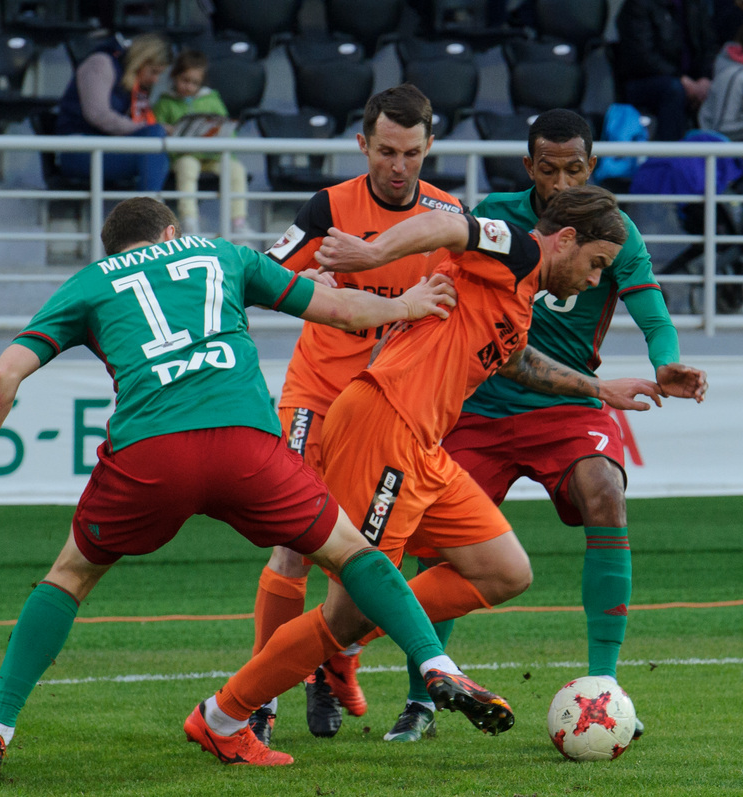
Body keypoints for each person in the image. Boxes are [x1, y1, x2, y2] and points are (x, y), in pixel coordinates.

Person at [0, 196, 512, 777]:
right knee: (352, 552)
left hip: (150, 455)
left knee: (70, 576)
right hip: (245, 445)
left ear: (111, 249)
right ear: (171, 232)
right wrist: (408, 304)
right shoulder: (222, 255)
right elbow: (339, 310)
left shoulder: (90, 283)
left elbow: (2, 376)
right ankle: (435, 663)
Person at [209, 185, 666, 756]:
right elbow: (448, 226)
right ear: (566, 239)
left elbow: (514, 358)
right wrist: (373, 255)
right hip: (383, 424)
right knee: (345, 614)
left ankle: (361, 639)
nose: (597, 280)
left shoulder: (519, 293)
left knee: (504, 571)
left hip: (422, 444)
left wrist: (598, 388)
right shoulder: (519, 249)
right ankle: (225, 713)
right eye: (596, 263)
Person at [381, 109, 709, 742]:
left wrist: (666, 362)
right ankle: (423, 696)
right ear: (529, 166)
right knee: (437, 540)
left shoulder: (613, 231)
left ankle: (604, 685)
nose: (561, 182)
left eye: (575, 169)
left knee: (605, 493)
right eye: (549, 169)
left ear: (593, 166)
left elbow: (651, 310)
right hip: (479, 405)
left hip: (567, 406)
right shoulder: (497, 216)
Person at [247, 84, 467, 743]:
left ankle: (333, 663)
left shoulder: (449, 216)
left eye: (411, 153)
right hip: (316, 398)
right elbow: (259, 273)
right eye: (385, 151)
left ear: (429, 147)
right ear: (362, 144)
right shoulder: (329, 207)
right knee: (294, 545)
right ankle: (260, 700)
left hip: (388, 410)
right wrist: (303, 285)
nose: (398, 166)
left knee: (373, 556)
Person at [54, 32, 172, 193]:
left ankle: (148, 205)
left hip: (107, 147)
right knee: (154, 137)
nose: (155, 80)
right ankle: (149, 206)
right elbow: (98, 115)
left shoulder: (130, 80)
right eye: (153, 71)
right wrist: (145, 128)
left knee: (157, 146)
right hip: (78, 149)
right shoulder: (101, 63)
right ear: (141, 60)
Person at [153, 48, 250, 235]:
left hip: (213, 157)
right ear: (174, 76)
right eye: (185, 80)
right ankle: (189, 222)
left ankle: (238, 224)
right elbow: (156, 133)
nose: (189, 87)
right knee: (187, 167)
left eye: (195, 83)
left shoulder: (212, 100)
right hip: (183, 157)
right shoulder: (164, 103)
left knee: (237, 170)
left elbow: (227, 131)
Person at [614, 0, 717, 142]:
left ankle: (718, 150)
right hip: (643, 82)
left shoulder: (695, 4)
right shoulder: (638, 5)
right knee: (674, 90)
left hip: (692, 81)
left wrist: (705, 78)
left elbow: (710, 45)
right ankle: (669, 152)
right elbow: (642, 57)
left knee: (722, 85)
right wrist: (682, 79)